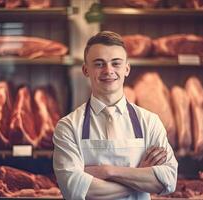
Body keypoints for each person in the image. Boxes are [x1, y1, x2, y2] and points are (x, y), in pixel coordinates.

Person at [53, 31, 178, 200]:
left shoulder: (149, 121)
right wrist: (139, 175)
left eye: (116, 63)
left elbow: (168, 180)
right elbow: (73, 189)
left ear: (126, 69)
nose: (108, 70)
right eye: (99, 64)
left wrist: (106, 171)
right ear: (85, 70)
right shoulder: (68, 126)